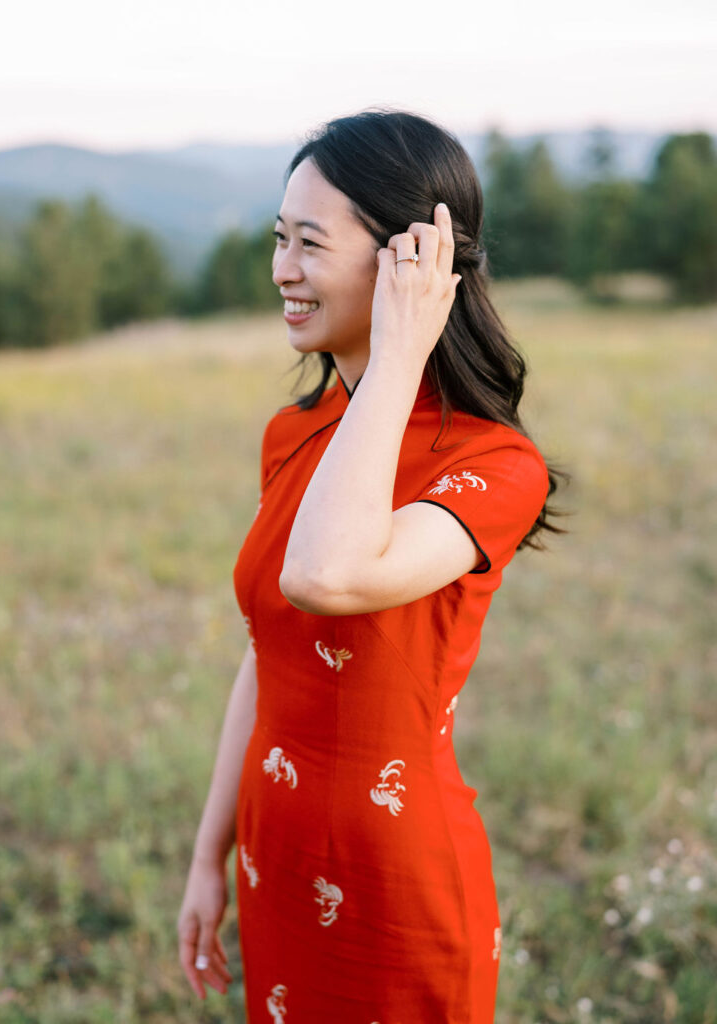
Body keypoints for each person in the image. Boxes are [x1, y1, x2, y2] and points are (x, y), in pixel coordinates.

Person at [177, 108, 568, 1023]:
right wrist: (208, 856)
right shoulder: (293, 435)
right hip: (276, 859)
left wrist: (400, 355)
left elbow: (327, 576)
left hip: (397, 883)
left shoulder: (495, 467)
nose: (282, 270)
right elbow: (269, 648)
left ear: (408, 263)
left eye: (310, 243)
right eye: (280, 239)